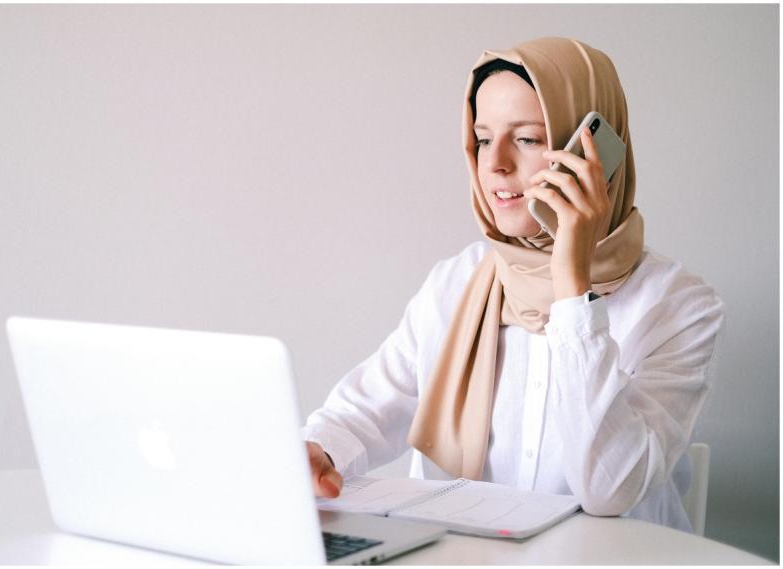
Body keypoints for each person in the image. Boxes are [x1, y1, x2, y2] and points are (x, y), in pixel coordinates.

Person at [301, 36, 724, 533]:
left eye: (526, 138)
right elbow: (366, 407)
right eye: (482, 138)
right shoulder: (456, 282)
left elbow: (612, 486)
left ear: (595, 152)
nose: (495, 163)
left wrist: (573, 284)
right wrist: (317, 450)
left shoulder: (680, 305)